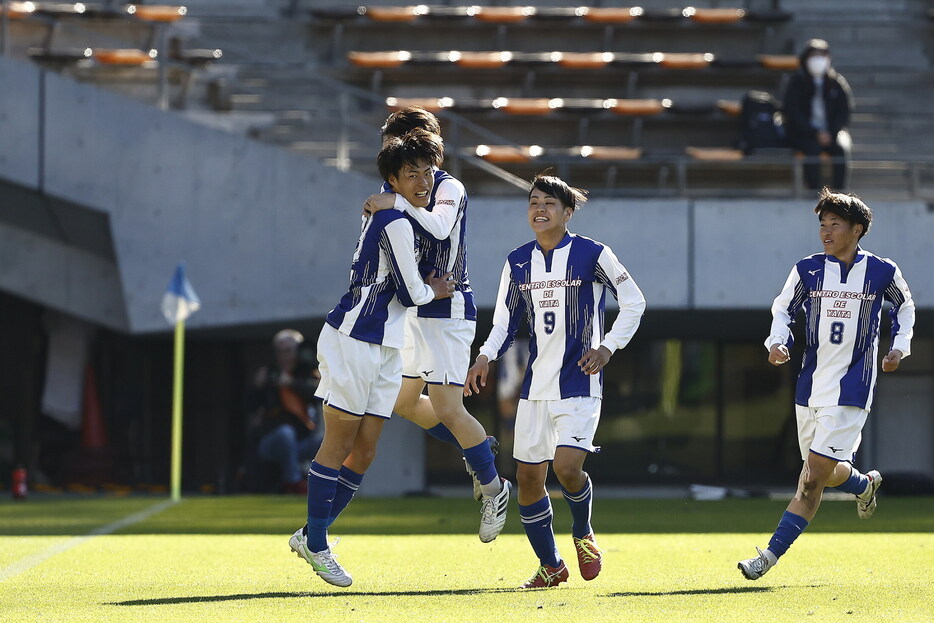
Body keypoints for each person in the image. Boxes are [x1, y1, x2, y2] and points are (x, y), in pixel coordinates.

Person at [288, 129, 455, 588]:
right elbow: (409, 290)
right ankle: (318, 543)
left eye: (427, 172)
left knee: (365, 449)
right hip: (353, 338)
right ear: (392, 180)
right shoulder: (395, 221)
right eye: (410, 174)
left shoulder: (397, 212)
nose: (422, 182)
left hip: (385, 342)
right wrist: (435, 289)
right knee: (339, 444)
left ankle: (311, 535)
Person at [465, 174, 646, 589]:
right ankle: (551, 566)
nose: (539, 209)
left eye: (549, 203)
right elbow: (505, 322)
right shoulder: (517, 261)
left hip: (580, 382)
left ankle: (583, 532)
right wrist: (484, 356)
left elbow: (634, 302)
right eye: (533, 202)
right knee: (528, 479)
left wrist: (608, 347)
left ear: (567, 212)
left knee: (566, 468)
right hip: (534, 389)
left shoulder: (593, 253)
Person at [738, 188, 915, 580]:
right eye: (822, 223)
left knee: (813, 475)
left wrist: (898, 349)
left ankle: (767, 557)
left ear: (858, 229)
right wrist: (777, 341)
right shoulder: (807, 269)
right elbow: (783, 307)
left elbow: (904, 306)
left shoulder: (882, 271)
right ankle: (863, 484)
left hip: (853, 385)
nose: (826, 231)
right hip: (810, 385)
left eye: (835, 224)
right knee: (825, 471)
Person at [359, 106, 513, 538]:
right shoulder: (393, 188)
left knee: (447, 406)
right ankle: (478, 447)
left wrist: (394, 203)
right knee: (402, 402)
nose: (400, 151)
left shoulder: (448, 186)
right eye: (393, 145)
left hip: (448, 310)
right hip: (412, 310)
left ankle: (494, 487)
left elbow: (443, 229)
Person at [246, 329, 321, 494]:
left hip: (301, 443)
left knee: (329, 441)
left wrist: (291, 383)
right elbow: (249, 407)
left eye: (289, 351)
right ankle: (294, 483)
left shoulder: (306, 373)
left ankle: (328, 486)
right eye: (280, 352)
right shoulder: (268, 374)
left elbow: (319, 395)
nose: (285, 357)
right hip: (271, 443)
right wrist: (256, 387)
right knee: (285, 433)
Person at [782, 39, 854, 190]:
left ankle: (840, 193)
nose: (818, 60)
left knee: (840, 149)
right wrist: (814, 132)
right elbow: (793, 113)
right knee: (811, 150)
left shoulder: (836, 83)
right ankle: (814, 191)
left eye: (822, 56)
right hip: (805, 133)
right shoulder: (797, 83)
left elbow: (844, 111)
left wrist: (832, 131)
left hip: (831, 133)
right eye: (814, 56)